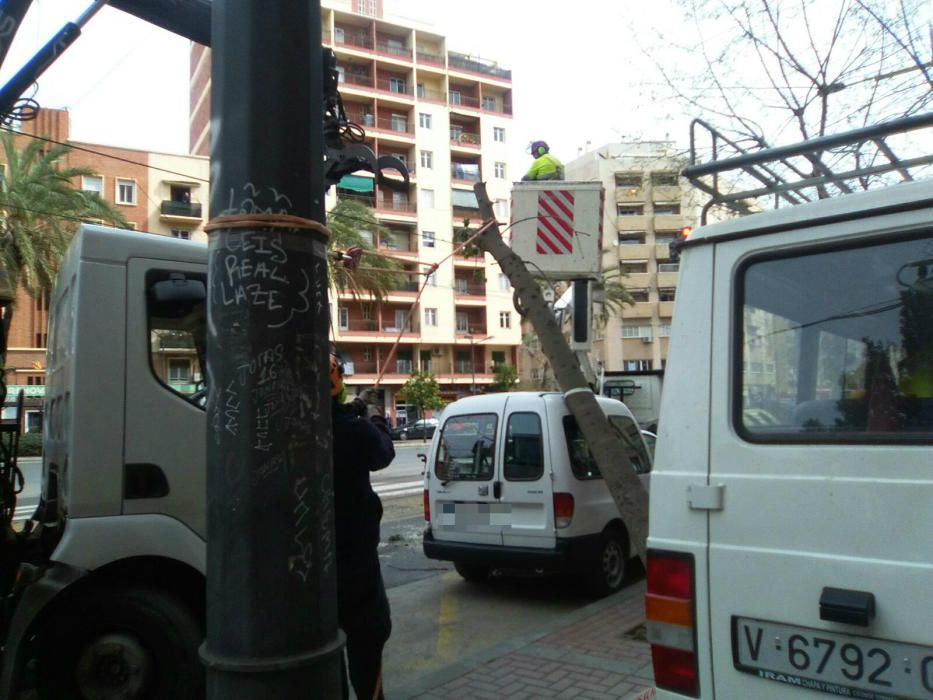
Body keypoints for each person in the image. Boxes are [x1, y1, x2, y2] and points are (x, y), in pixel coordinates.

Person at [330, 354, 394, 700]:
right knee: (367, 641)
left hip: (314, 565)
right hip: (356, 560)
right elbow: (382, 453)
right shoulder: (355, 431)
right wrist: (376, 417)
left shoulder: (299, 429)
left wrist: (355, 407)